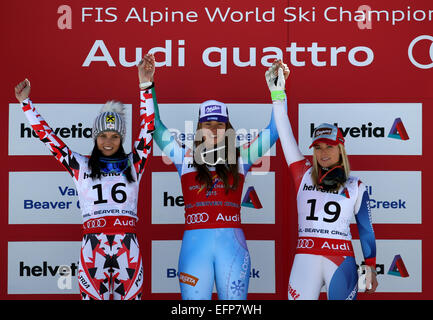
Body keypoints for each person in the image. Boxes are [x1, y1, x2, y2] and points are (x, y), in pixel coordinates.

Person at [14, 54, 156, 300]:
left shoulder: (135, 162)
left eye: (114, 135)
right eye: (103, 136)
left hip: (127, 246)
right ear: (95, 138)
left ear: (121, 138)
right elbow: (50, 139)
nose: (108, 141)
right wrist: (26, 104)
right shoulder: (80, 165)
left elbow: (148, 128)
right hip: (93, 247)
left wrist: (145, 85)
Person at [152, 77, 284, 300]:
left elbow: (274, 130)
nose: (213, 131)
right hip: (194, 252)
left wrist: (278, 91)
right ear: (199, 128)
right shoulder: (184, 158)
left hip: (232, 250)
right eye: (208, 125)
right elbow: (154, 126)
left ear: (228, 128)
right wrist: (147, 86)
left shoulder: (242, 157)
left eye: (219, 125)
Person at [266, 60, 378, 300]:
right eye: (318, 147)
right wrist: (277, 94)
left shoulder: (355, 185)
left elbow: (366, 229)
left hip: (341, 259)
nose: (323, 152)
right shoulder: (303, 173)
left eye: (329, 146)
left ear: (341, 150)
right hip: (305, 259)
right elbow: (284, 131)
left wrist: (371, 265)